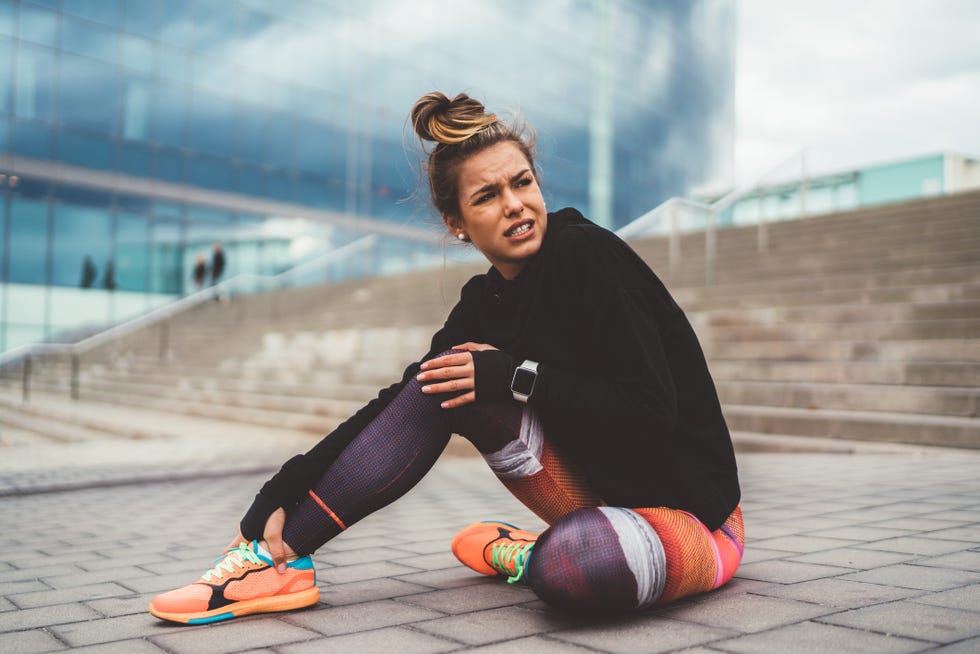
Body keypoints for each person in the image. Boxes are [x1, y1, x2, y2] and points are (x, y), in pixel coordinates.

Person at [149, 92, 742, 624]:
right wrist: (288, 484)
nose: (515, 204)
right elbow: (402, 399)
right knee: (448, 378)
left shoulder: (586, 255)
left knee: (569, 566)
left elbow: (649, 410)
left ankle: (533, 551)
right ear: (457, 224)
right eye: (488, 195)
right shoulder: (481, 303)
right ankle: (276, 562)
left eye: (523, 182)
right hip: (603, 494)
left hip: (695, 516)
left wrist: (515, 377)